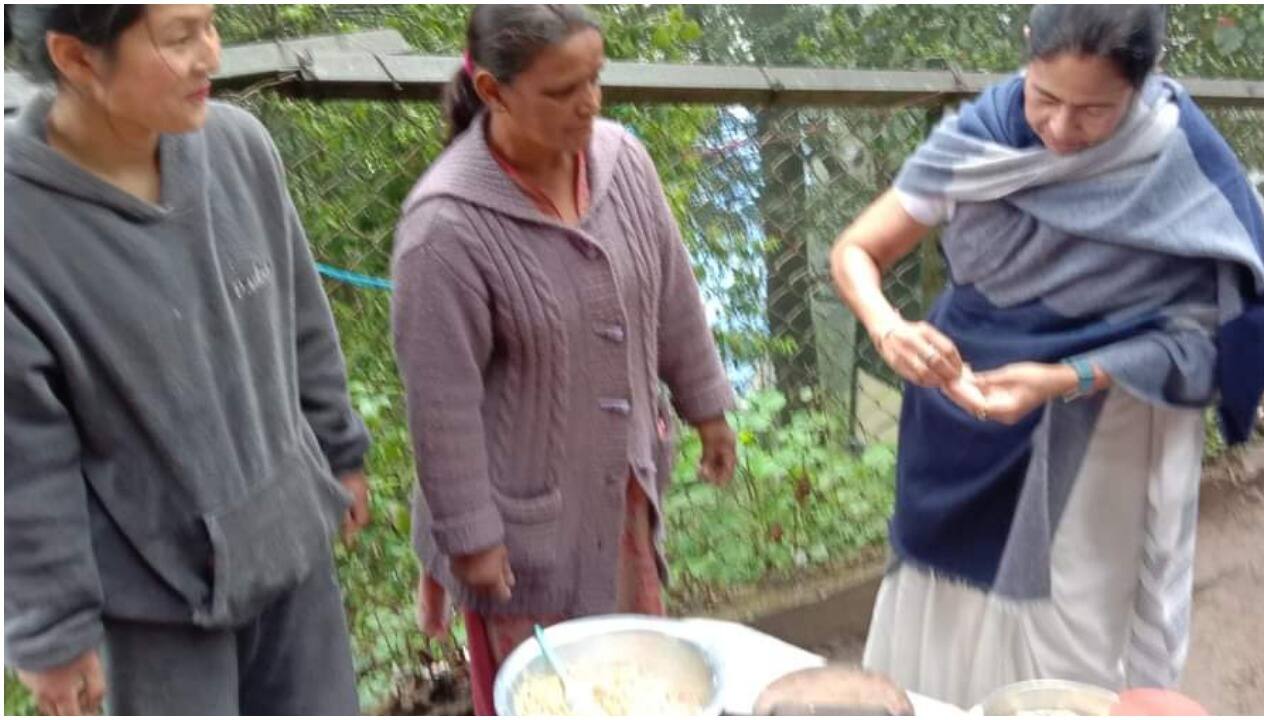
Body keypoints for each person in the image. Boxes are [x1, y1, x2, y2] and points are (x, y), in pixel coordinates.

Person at [830, 4, 1264, 709]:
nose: (1062, 130)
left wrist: (1067, 376)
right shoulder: (982, 132)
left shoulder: (1178, 156)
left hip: (1097, 428)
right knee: (931, 619)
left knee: (1065, 646)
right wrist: (888, 327)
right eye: (1045, 98)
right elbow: (856, 250)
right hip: (957, 410)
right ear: (1026, 56)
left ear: (1142, 83)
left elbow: (1210, 336)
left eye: (1094, 111)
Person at [5, 5, 372, 714]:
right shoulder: (18, 230)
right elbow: (23, 459)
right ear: (77, 59)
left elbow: (302, 320)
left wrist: (339, 449)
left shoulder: (238, 148)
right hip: (153, 604)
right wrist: (51, 630)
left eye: (209, 23)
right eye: (178, 37)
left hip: (290, 552)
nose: (211, 54)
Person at [390, 4, 738, 714]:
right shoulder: (446, 229)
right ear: (492, 91)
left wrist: (709, 409)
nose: (589, 104)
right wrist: (473, 542)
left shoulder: (623, 163)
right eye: (560, 90)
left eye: (596, 80)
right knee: (549, 691)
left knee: (631, 685)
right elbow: (441, 407)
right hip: (519, 538)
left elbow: (671, 288)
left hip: (619, 498)